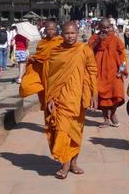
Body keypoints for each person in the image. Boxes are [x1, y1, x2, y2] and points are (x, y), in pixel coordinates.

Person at [44, 22, 98, 179]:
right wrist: (50, 97)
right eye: (67, 33)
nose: (70, 36)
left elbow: (92, 70)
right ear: (62, 34)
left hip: (79, 97)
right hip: (61, 99)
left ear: (77, 33)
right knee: (62, 130)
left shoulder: (84, 50)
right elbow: (52, 77)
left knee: (75, 131)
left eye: (73, 33)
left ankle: (73, 162)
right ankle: (65, 163)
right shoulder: (56, 52)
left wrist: (94, 94)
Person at [89, 18, 127, 128]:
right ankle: (106, 118)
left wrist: (122, 70)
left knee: (116, 93)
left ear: (110, 27)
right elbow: (88, 51)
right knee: (102, 96)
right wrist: (98, 40)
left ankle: (113, 114)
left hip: (114, 72)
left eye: (107, 27)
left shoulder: (115, 39)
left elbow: (122, 55)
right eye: (103, 27)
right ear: (99, 28)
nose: (105, 30)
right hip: (99, 73)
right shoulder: (94, 38)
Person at [19, 20, 63, 108]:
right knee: (45, 94)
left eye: (53, 29)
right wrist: (32, 58)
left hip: (55, 72)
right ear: (45, 30)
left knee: (57, 95)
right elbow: (39, 56)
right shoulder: (41, 43)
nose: (51, 31)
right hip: (43, 72)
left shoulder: (61, 42)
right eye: (48, 29)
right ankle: (48, 118)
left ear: (56, 30)